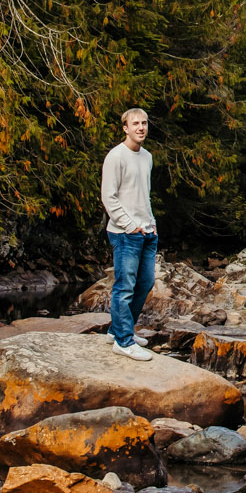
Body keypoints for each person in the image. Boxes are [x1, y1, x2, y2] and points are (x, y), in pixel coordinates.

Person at [100, 107, 159, 361]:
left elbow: (142, 195)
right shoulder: (116, 156)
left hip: (147, 231)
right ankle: (123, 342)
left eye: (144, 123)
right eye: (135, 124)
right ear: (125, 128)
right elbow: (109, 197)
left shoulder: (147, 157)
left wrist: (151, 223)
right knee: (124, 287)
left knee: (145, 282)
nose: (141, 128)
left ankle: (118, 331)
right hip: (125, 233)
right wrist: (129, 225)